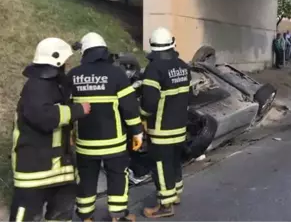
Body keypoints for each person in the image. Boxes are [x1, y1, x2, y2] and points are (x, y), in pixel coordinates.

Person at [9, 38, 91, 222]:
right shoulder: (36, 86)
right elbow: (44, 117)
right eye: (66, 62)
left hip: (60, 171)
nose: (68, 65)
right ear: (57, 61)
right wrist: (77, 110)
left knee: (61, 215)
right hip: (35, 171)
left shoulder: (55, 85)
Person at [68, 32, 144, 222]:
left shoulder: (73, 75)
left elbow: (66, 108)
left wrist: (69, 134)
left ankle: (86, 217)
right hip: (114, 143)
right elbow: (129, 107)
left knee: (86, 180)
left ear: (85, 52)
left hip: (85, 143)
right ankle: (117, 216)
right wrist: (137, 133)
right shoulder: (116, 73)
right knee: (118, 177)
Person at [140, 27, 191, 218]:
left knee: (161, 165)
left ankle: (165, 205)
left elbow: (149, 103)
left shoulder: (154, 69)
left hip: (161, 129)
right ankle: (175, 194)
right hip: (180, 126)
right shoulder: (183, 66)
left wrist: (141, 114)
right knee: (174, 162)